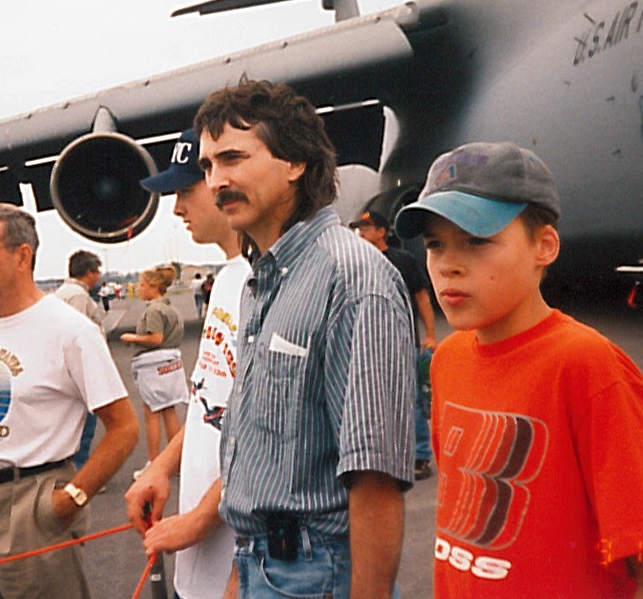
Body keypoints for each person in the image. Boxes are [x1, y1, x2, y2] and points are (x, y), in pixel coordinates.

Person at [393, 142, 643, 599]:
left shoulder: (588, 367)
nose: (447, 266)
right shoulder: (448, 360)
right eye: (435, 244)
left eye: (477, 240)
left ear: (544, 246)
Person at [195, 78, 415, 599]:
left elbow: (375, 480)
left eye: (232, 158)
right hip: (261, 563)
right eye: (207, 167)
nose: (216, 181)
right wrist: (241, 574)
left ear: (295, 162)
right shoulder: (261, 282)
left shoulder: (353, 280)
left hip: (318, 574)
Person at [0, 202, 139, 599]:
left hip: (32, 503)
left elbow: (124, 427)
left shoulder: (70, 330)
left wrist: (71, 499)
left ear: (22, 256)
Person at [126, 127, 250, 599]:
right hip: (196, 568)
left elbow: (272, 435)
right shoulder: (226, 280)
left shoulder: (265, 284)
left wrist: (200, 519)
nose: (176, 209)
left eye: (184, 191)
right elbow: (205, 406)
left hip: (240, 569)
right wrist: (160, 466)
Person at [350, 209, 438, 480]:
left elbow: (421, 298)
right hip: (368, 343)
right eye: (359, 228)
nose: (361, 233)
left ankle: (420, 456)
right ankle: (389, 457)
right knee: (374, 402)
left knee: (411, 400)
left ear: (382, 232)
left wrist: (430, 334)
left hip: (402, 341)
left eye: (367, 228)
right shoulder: (356, 262)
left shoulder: (402, 260)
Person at [120, 265, 189, 479]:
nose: (139, 288)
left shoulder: (153, 311)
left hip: (153, 364)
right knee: (169, 409)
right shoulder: (171, 309)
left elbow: (156, 338)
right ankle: (177, 460)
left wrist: (132, 337)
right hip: (171, 363)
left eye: (142, 285)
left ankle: (154, 461)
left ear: (154, 286)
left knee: (152, 412)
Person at [53, 249, 107, 470]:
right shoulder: (78, 296)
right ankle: (80, 470)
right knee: (85, 422)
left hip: (64, 366)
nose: (99, 277)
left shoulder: (63, 293)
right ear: (89, 272)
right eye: (97, 272)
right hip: (79, 369)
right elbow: (77, 335)